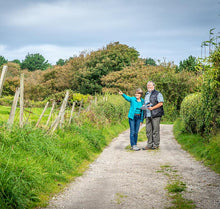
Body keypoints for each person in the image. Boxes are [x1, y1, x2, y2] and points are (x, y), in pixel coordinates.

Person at [141, 81, 164, 150]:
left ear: (153, 86)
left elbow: (161, 103)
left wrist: (152, 108)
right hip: (148, 115)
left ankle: (156, 144)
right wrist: (144, 106)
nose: (149, 87)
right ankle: (149, 145)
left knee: (155, 130)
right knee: (148, 131)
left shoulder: (158, 94)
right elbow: (146, 103)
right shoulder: (146, 94)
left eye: (150, 86)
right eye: (148, 86)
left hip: (156, 114)